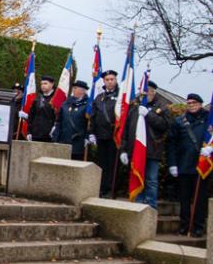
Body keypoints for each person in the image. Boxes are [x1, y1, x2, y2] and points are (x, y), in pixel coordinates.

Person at [120, 80, 170, 210]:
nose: (146, 94)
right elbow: (126, 130)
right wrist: (123, 150)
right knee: (137, 177)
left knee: (151, 180)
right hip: (135, 150)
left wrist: (149, 115)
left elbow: (164, 126)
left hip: (152, 149)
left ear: (153, 92)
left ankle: (151, 207)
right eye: (143, 92)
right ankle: (138, 204)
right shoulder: (134, 107)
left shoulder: (162, 106)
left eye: (149, 91)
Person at [167, 93, 210, 236]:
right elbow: (172, 144)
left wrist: (210, 149)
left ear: (200, 104)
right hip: (184, 165)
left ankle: (198, 226)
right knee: (184, 199)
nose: (191, 105)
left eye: (194, 103)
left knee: (200, 199)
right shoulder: (180, 121)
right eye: (189, 103)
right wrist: (172, 164)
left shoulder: (209, 120)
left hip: (203, 166)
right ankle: (184, 225)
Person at [88, 69, 119, 197]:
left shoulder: (121, 96)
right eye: (107, 80)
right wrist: (91, 132)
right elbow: (93, 116)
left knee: (112, 164)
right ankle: (101, 188)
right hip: (101, 135)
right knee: (101, 163)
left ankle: (112, 189)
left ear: (116, 80)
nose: (110, 82)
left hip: (114, 135)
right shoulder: (99, 97)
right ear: (104, 82)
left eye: (112, 79)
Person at [52, 80, 89, 160]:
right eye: (74, 88)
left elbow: (89, 124)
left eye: (76, 88)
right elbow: (59, 122)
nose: (74, 90)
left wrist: (87, 137)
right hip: (63, 141)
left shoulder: (87, 105)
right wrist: (55, 137)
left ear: (83, 91)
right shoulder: (65, 103)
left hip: (78, 143)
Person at [24, 75, 56, 142]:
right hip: (35, 134)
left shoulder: (56, 99)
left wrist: (55, 127)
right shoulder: (37, 99)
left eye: (45, 83)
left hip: (48, 135)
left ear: (52, 84)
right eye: (41, 84)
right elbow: (31, 117)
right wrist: (29, 132)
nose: (43, 86)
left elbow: (58, 117)